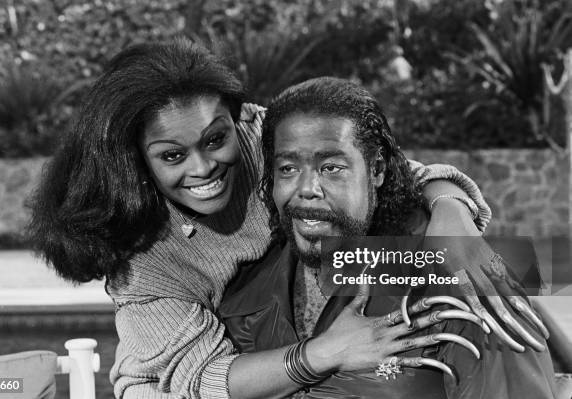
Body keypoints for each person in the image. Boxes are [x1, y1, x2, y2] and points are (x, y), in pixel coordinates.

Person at [28, 38, 543, 398]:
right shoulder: (144, 260)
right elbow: (198, 381)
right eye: (172, 155)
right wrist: (323, 354)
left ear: (241, 120)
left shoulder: (264, 134)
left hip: (306, 292)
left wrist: (452, 215)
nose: (204, 167)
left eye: (215, 139)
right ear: (136, 161)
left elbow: (388, 170)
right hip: (186, 375)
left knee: (489, 281)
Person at [220, 77, 556, 398]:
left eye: (331, 168)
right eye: (288, 169)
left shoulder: (468, 284)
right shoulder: (243, 298)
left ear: (377, 170)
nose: (306, 190)